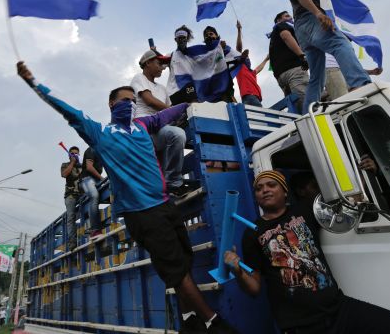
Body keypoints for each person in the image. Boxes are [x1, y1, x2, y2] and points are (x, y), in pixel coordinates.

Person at [16, 61, 239, 334]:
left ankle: (189, 317)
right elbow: (68, 111)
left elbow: (167, 115)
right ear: (111, 105)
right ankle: (213, 322)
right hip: (142, 214)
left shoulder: (143, 126)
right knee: (177, 269)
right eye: (126, 100)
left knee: (184, 260)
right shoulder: (101, 134)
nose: (131, 104)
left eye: (134, 101)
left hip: (165, 204)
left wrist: (194, 102)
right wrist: (34, 83)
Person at [224, 171, 390, 334]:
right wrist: (237, 271)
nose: (265, 190)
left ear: (285, 191)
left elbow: (351, 200)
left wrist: (373, 172)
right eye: (259, 188)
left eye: (271, 185)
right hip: (301, 327)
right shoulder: (252, 233)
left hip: (340, 310)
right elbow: (254, 288)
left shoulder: (305, 210)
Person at [285, 0, 371, 114]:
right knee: (340, 44)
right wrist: (318, 13)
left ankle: (309, 113)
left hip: (302, 30)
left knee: (317, 76)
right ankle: (360, 84)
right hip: (309, 19)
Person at [131, 49, 191, 196]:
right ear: (147, 63)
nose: (163, 68)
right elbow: (149, 100)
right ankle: (174, 183)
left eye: (164, 65)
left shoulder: (163, 89)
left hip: (160, 129)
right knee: (177, 135)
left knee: (161, 175)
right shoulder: (139, 78)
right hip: (145, 129)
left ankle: (169, 188)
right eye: (159, 63)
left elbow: (170, 113)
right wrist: (174, 110)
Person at [268, 11, 309, 112]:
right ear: (279, 20)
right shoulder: (282, 26)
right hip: (294, 71)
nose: (290, 18)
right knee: (307, 105)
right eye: (286, 16)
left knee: (296, 108)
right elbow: (286, 36)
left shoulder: (273, 37)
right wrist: (302, 55)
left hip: (281, 77)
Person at [233, 20, 268, 107]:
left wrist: (266, 59)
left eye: (249, 58)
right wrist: (239, 30)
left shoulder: (251, 73)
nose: (248, 59)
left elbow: (259, 68)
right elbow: (238, 49)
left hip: (255, 98)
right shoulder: (240, 68)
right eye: (247, 58)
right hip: (249, 97)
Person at [61, 146, 83, 250]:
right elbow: (64, 174)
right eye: (73, 153)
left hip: (82, 194)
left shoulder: (82, 166)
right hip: (70, 195)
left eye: (76, 154)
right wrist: (72, 163)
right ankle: (72, 242)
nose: (75, 155)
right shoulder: (65, 165)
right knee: (71, 218)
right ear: (69, 155)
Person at [80, 146, 104, 237]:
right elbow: (89, 167)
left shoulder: (101, 153)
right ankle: (95, 230)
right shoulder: (91, 149)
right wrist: (102, 178)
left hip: (96, 180)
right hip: (86, 179)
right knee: (94, 196)